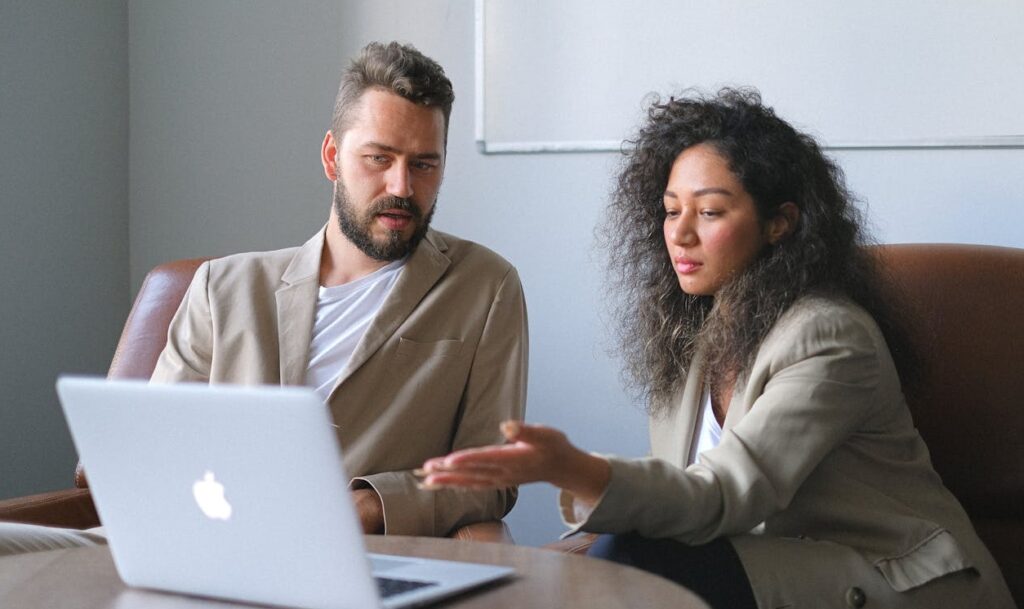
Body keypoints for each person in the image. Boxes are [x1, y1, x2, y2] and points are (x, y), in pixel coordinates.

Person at [421, 89, 1014, 608]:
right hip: (769, 571)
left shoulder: (830, 336)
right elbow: (677, 499)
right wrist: (556, 558)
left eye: (708, 212)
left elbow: (725, 495)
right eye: (671, 210)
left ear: (780, 223)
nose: (679, 233)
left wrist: (571, 468)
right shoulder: (692, 337)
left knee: (648, 559)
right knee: (605, 560)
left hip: (897, 581)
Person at [0, 41, 527, 554]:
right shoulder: (223, 287)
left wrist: (362, 507)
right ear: (331, 157)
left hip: (340, 555)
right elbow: (152, 449)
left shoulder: (484, 286)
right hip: (171, 537)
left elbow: (493, 475)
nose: (402, 186)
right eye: (378, 158)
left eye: (423, 165)